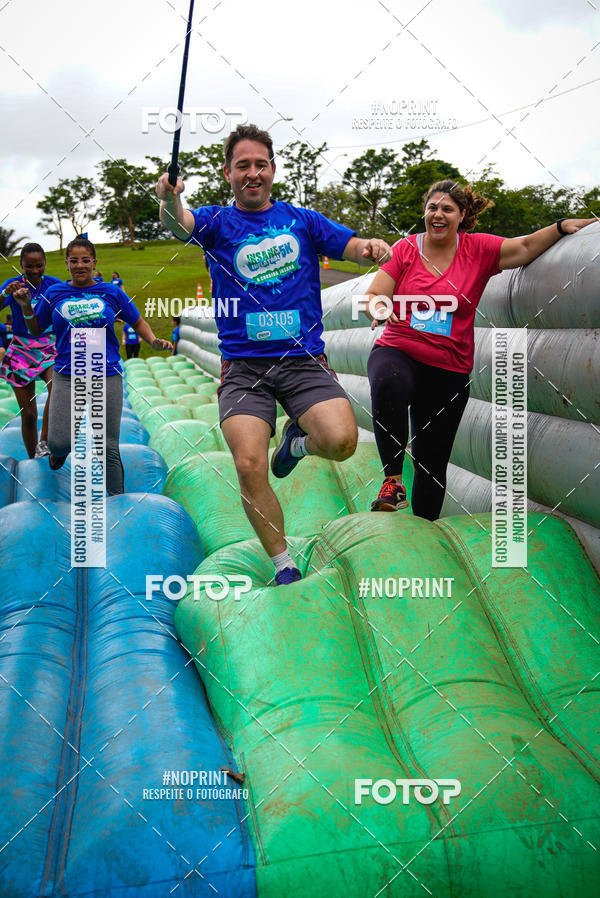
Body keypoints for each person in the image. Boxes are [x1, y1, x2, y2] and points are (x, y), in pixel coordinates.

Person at [157, 123, 391, 585]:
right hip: (245, 369)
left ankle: (297, 443)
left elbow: (353, 246)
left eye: (260, 164)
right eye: (242, 165)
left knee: (343, 442)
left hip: (303, 361)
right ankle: (283, 563)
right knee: (247, 462)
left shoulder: (301, 220)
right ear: (228, 173)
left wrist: (371, 248)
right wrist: (168, 197)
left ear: (273, 169)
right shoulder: (216, 223)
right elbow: (176, 224)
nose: (252, 173)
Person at [364, 179, 596, 520]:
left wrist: (560, 227)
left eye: (447, 209)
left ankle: (423, 535)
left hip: (448, 369)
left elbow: (526, 247)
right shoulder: (406, 249)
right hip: (399, 348)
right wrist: (381, 309)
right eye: (432, 207)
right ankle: (393, 483)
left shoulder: (479, 250)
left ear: (461, 216)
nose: (438, 214)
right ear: (424, 212)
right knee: (387, 380)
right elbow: (374, 296)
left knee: (432, 462)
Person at [13, 237, 171, 495]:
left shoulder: (111, 292)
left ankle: (118, 503)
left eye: (85, 260)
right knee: (59, 442)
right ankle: (59, 454)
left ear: (94, 262)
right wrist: (25, 307)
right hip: (67, 376)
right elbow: (36, 327)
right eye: (74, 260)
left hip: (105, 374)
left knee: (107, 445)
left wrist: (152, 340)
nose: (80, 265)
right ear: (66, 264)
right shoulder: (55, 294)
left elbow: (137, 320)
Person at [0, 243, 61, 457]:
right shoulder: (12, 285)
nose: (35, 271)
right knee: (28, 415)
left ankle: (44, 442)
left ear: (45, 263)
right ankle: (32, 458)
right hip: (21, 350)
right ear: (21, 265)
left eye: (39, 265)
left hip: (48, 345)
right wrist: (4, 295)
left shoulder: (54, 285)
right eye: (29, 266)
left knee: (57, 387)